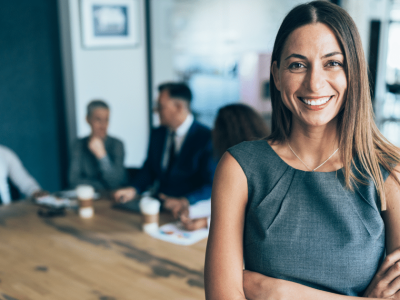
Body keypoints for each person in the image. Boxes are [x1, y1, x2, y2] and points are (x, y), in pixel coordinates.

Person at [205, 1, 400, 299]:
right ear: (277, 74)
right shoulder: (240, 168)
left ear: (354, 73)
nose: (314, 82)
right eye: (297, 65)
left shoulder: (388, 172)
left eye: (332, 63)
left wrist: (277, 291)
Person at [114, 82, 216, 216]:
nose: (156, 111)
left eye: (160, 106)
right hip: (158, 206)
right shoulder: (158, 134)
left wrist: (184, 201)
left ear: (179, 107)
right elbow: (149, 170)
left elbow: (211, 184)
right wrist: (133, 189)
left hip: (188, 213)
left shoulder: (206, 137)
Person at [180, 103, 270, 230]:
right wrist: (192, 210)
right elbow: (228, 202)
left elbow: (255, 216)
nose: (213, 132)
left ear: (228, 134)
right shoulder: (239, 161)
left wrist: (206, 222)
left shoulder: (258, 168)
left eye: (216, 127)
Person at [69, 100, 126, 191]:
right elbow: (73, 181)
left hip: (109, 200)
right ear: (88, 119)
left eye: (106, 120)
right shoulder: (78, 145)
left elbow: (116, 183)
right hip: (86, 198)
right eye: (98, 119)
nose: (103, 126)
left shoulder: (117, 145)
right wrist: (102, 185)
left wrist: (102, 156)